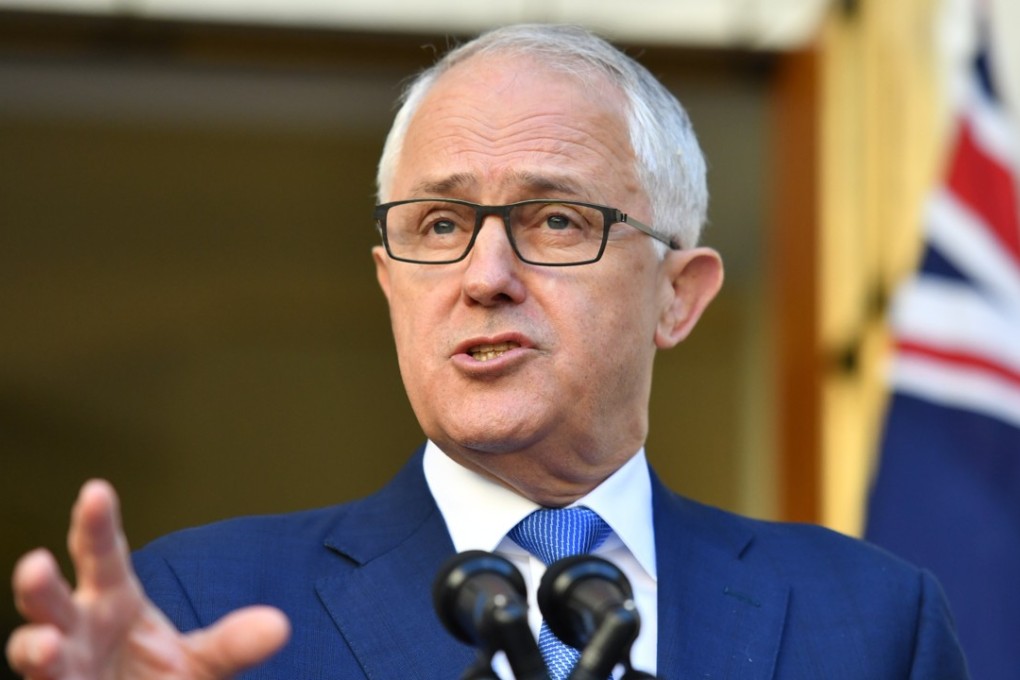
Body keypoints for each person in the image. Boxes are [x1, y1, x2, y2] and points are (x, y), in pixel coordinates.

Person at [7, 24, 969, 680]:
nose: (485, 275)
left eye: (554, 219)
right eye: (437, 224)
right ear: (390, 280)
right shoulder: (200, 610)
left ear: (679, 297)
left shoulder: (873, 621)